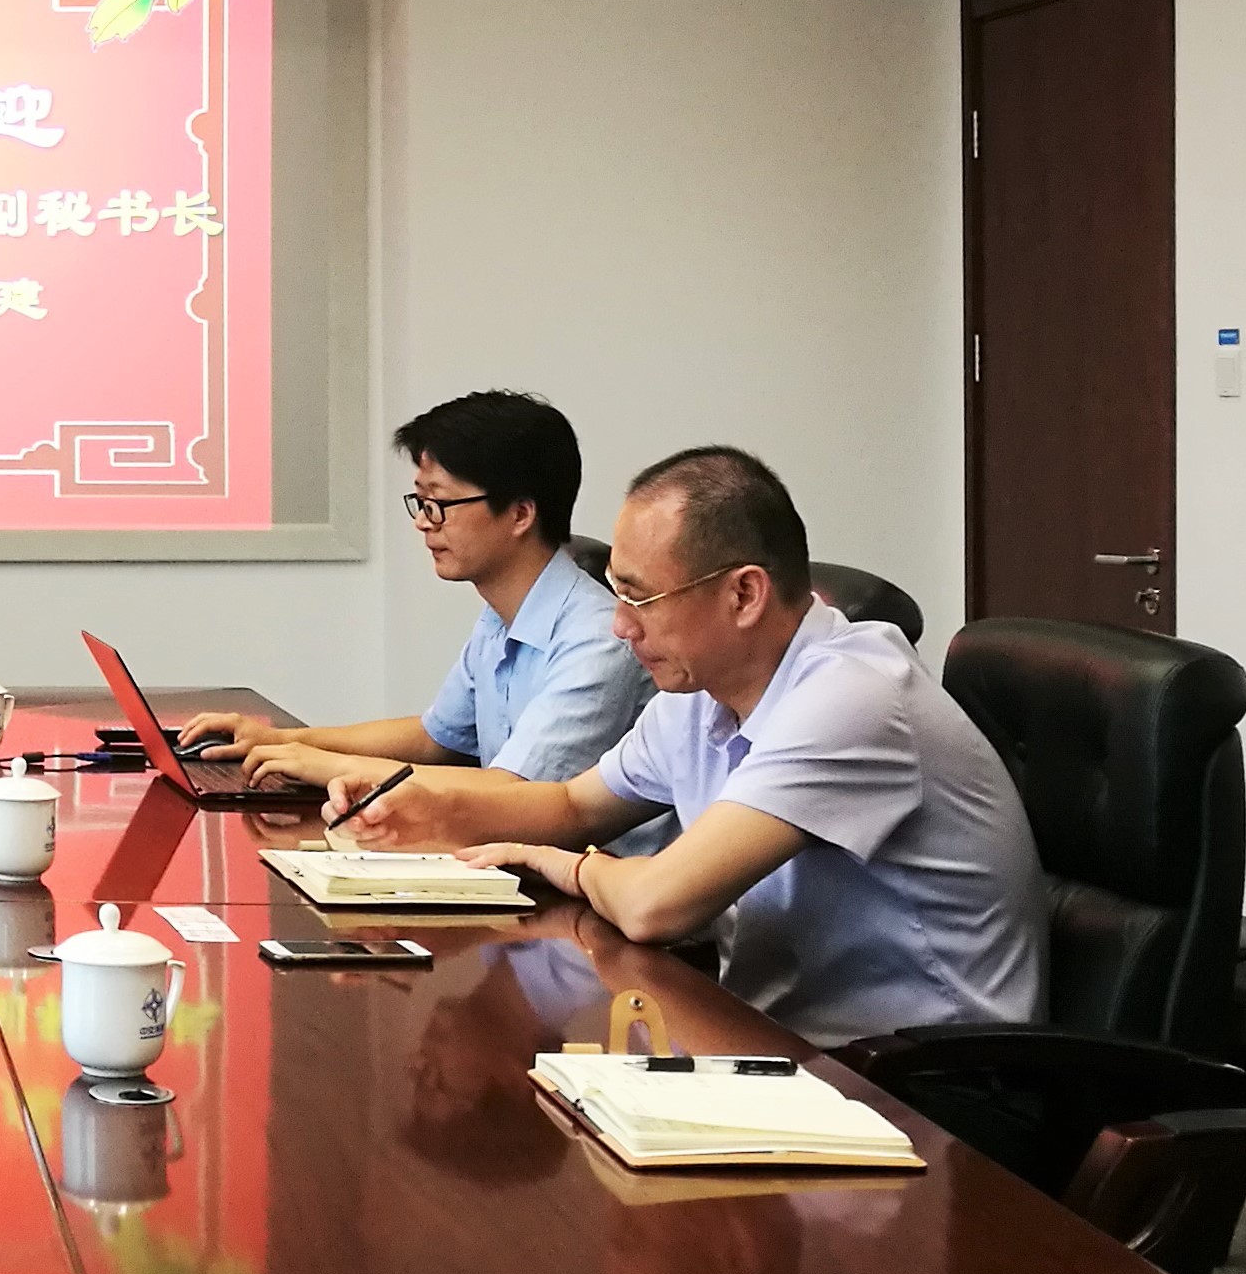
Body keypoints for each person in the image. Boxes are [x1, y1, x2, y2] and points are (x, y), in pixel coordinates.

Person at [336, 445, 1047, 1047]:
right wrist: (425, 806)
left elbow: (656, 905)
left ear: (744, 596)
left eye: (639, 598)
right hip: (777, 1047)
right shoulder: (701, 691)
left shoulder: (854, 697)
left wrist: (568, 867)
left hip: (930, 1087)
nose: (620, 626)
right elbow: (574, 807)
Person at [181, 392, 653, 840]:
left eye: (440, 504)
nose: (423, 521)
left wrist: (328, 765)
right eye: (421, 503)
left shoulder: (597, 640)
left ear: (520, 515)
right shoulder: (502, 617)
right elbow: (435, 738)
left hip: (590, 884)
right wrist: (283, 741)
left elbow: (514, 792)